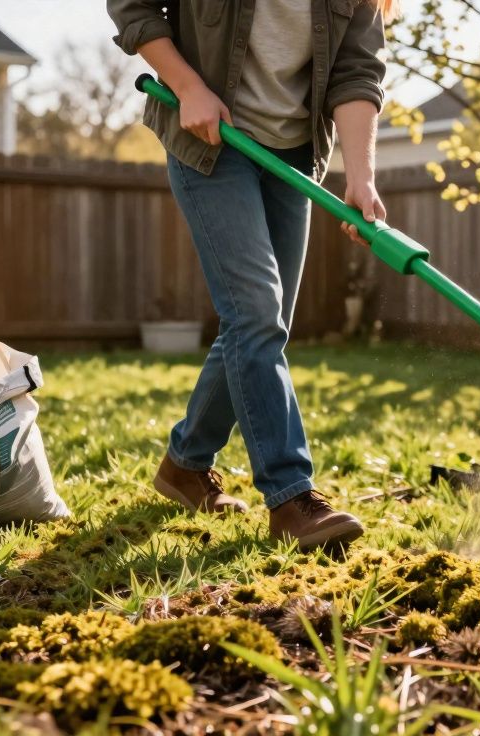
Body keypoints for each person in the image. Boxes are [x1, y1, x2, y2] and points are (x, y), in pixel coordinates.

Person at [107, 0, 394, 550]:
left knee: (258, 324)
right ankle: (290, 497)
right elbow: (132, 6)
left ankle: (184, 465)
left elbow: (358, 69)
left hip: (293, 156)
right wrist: (188, 85)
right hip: (215, 144)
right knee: (256, 316)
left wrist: (360, 176)